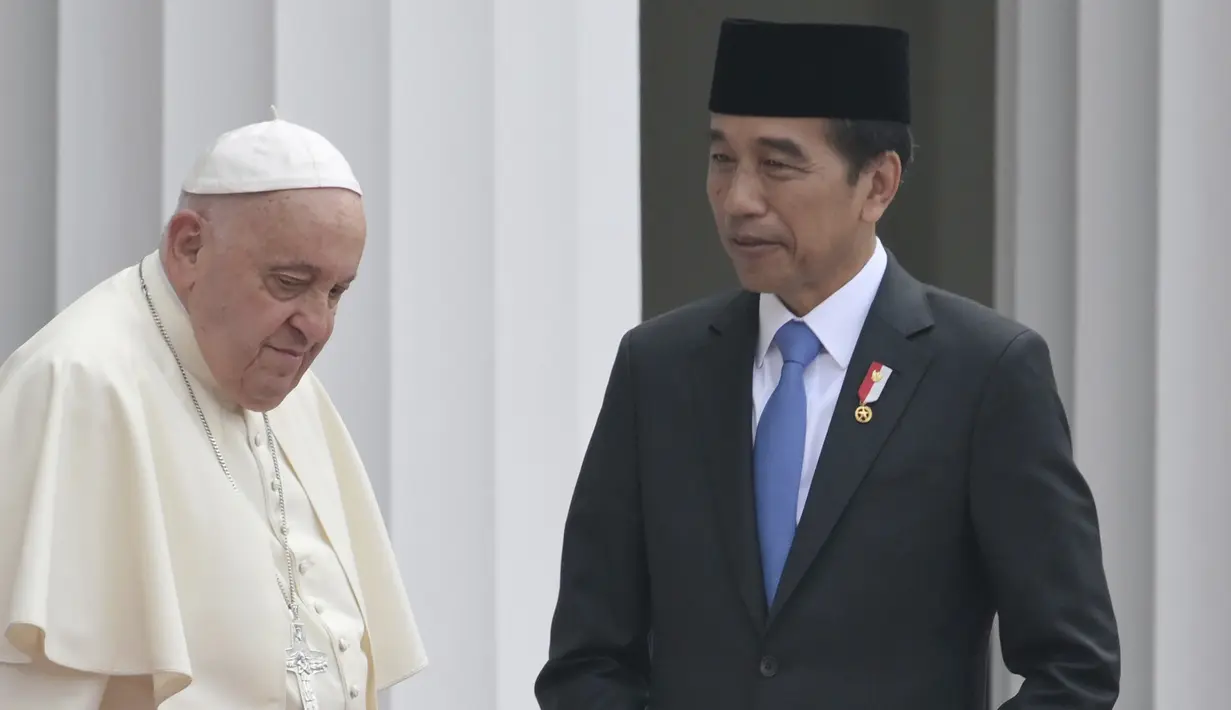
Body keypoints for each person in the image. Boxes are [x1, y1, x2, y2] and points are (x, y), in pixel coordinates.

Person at [536, 18, 1120, 710]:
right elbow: (586, 659)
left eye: (777, 165)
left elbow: (1073, 668)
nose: (738, 199)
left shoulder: (982, 373)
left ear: (877, 183)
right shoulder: (657, 369)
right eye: (722, 159)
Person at [0, 116, 428, 709]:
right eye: (288, 282)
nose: (318, 326)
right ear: (188, 247)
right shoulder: (77, 383)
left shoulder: (291, 386)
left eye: (335, 293)